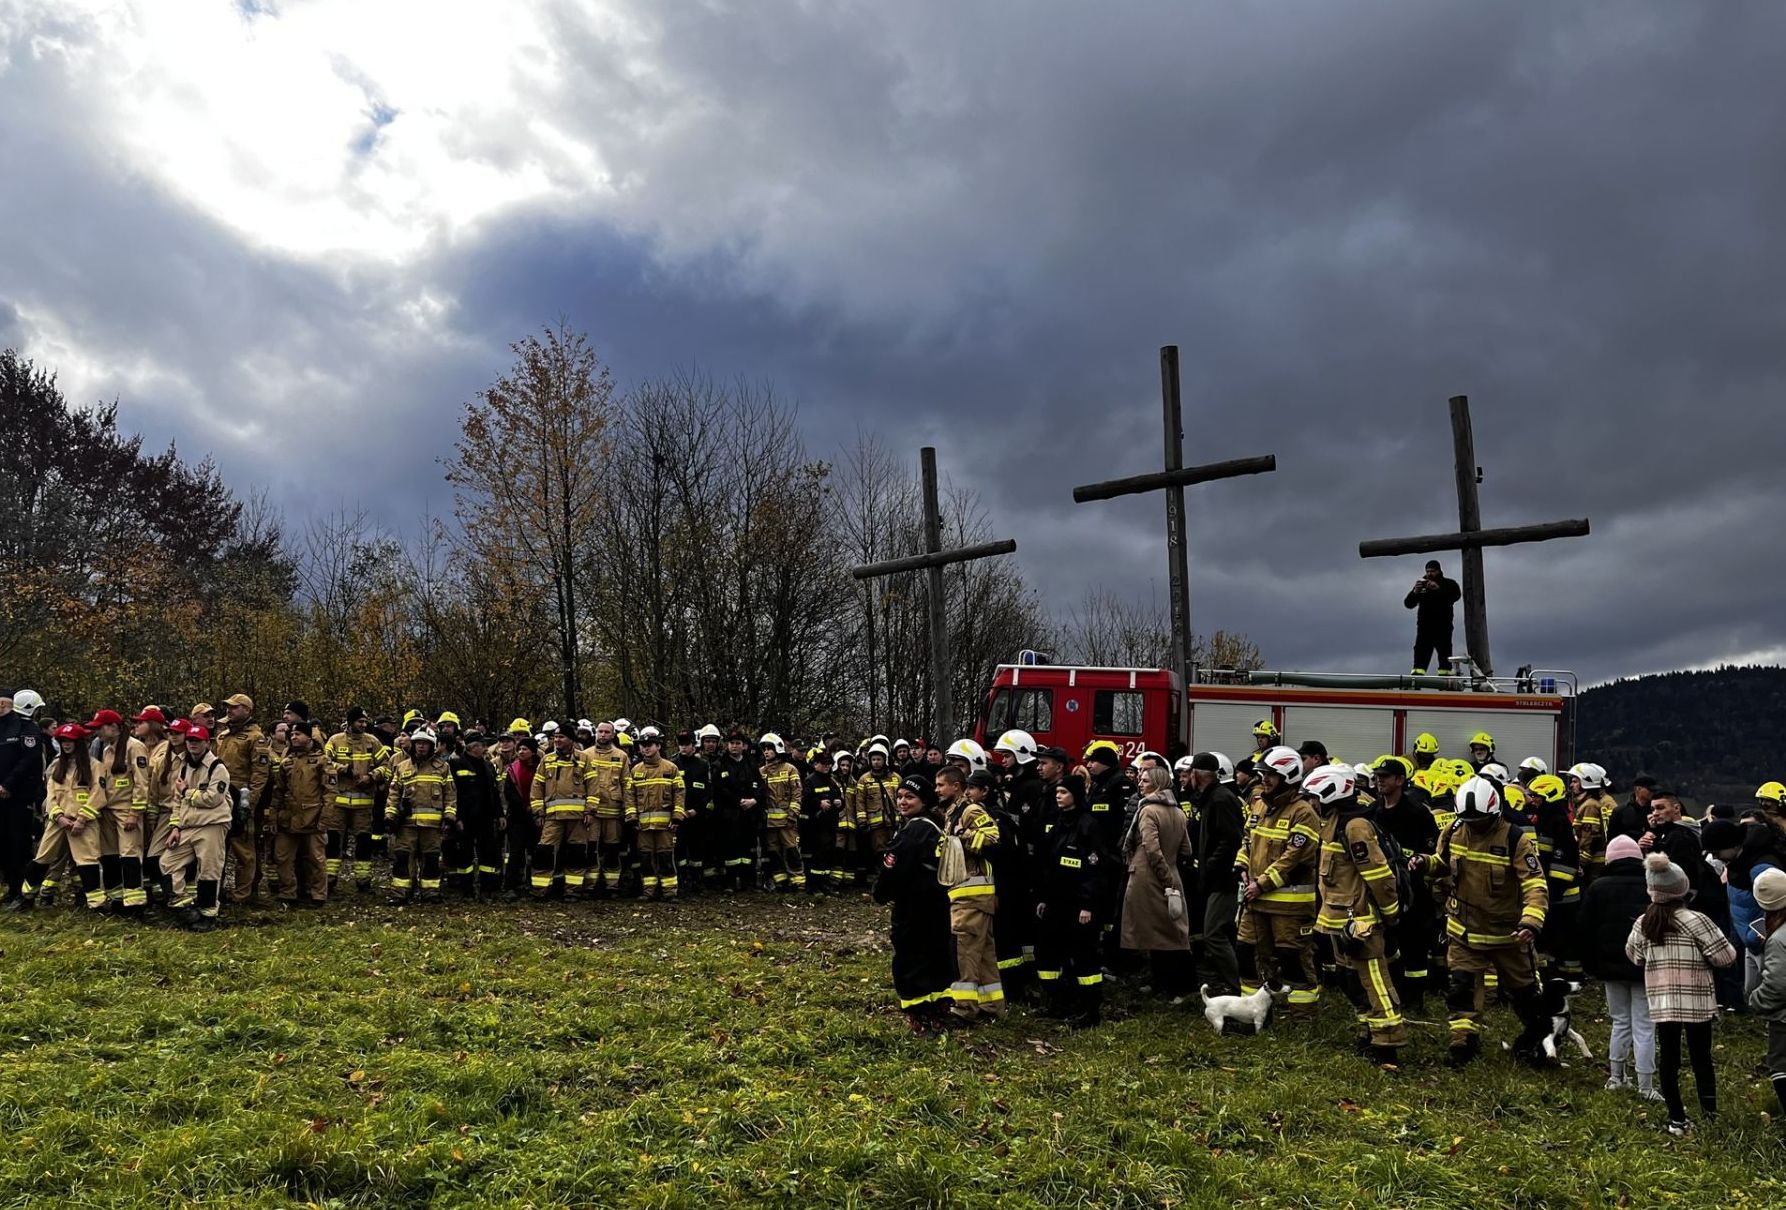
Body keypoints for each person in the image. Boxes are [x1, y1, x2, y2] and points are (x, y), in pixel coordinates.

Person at [1418, 776, 1551, 1066]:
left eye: (1479, 820)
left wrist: (1530, 921)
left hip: (1509, 936)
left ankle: (1540, 1040)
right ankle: (1462, 1044)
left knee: (1525, 994)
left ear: (1495, 812)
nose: (1473, 826)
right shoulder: (1455, 830)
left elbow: (1534, 884)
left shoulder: (1515, 839)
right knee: (1461, 988)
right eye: (1468, 820)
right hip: (1464, 932)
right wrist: (1424, 864)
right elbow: (1442, 863)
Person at [1625, 853, 1737, 1136]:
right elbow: (1726, 956)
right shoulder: (1697, 920)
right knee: (1701, 1057)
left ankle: (1676, 1118)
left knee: (1669, 1059)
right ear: (1682, 887)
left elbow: (1634, 956)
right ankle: (1710, 1113)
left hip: (1662, 1000)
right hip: (1697, 999)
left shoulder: (1644, 923)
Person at [1306, 765, 1405, 1063]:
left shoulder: (1355, 827)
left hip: (1360, 921)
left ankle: (1387, 1046)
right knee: (1351, 982)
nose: (1312, 804)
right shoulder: (1332, 822)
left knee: (1374, 982)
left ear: (1330, 793)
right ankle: (1368, 1032)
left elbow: (1379, 877)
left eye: (1314, 797)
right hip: (1337, 920)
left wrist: (1390, 916)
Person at [1236, 746, 1321, 1009]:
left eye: (1271, 775)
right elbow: (1247, 840)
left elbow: (1292, 858)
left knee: (1291, 957)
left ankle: (1301, 1015)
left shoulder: (1303, 811)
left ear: (1289, 777)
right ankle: (1250, 1010)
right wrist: (1242, 867)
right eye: (1263, 774)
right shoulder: (1259, 804)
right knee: (1246, 951)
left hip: (1289, 904)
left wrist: (1261, 884)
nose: (1265, 780)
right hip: (1255, 898)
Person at [1578, 835, 1660, 1098]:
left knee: (1620, 1021)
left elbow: (1585, 929)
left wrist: (1591, 965)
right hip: (1645, 966)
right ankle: (1646, 1086)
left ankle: (1616, 1077)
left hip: (1610, 968)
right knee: (1645, 1024)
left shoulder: (1598, 887)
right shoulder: (1651, 885)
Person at [873, 775, 956, 1033]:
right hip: (936, 905)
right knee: (936, 957)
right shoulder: (933, 825)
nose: (902, 802)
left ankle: (918, 1015)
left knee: (910, 959)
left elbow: (894, 868)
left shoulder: (915, 830)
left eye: (910, 797)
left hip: (914, 907)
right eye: (899, 796)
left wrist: (880, 892)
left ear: (924, 800)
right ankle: (938, 1009)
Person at [1035, 774, 1107, 1026]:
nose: (1058, 796)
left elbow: (1095, 869)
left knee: (1083, 955)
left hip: (1079, 905)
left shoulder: (1088, 825)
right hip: (1057, 901)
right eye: (1057, 792)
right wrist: (1044, 898)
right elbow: (1050, 865)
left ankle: (1089, 1010)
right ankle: (1058, 1002)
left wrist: (1088, 904)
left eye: (1063, 792)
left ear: (1075, 795)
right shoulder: (1056, 823)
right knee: (1051, 952)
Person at [1373, 755, 1440, 1012]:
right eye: (1378, 776)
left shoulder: (1417, 814)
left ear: (1400, 780)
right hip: (1383, 890)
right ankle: (1395, 992)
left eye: (1385, 777)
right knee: (1388, 944)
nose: (1379, 781)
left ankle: (1415, 1000)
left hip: (1413, 891)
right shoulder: (1375, 811)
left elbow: (1432, 851)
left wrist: (1415, 859)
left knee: (1415, 947)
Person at [1120, 765, 1193, 1001]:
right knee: (1170, 931)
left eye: (1144, 781)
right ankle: (1166, 984)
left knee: (1154, 934)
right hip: (1171, 872)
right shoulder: (1179, 812)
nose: (1139, 784)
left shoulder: (1148, 810)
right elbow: (1186, 848)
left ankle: (1166, 985)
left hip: (1148, 877)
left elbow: (1151, 848)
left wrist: (1164, 877)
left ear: (1158, 784)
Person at [937, 765, 1003, 1023]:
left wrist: (962, 836)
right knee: (985, 954)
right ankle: (992, 1007)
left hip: (971, 892)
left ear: (956, 786)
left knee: (963, 953)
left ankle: (964, 1009)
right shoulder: (952, 812)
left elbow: (993, 837)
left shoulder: (970, 810)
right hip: (969, 892)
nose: (937, 790)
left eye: (941, 785)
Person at [153, 725, 234, 930]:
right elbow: (177, 801)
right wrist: (175, 827)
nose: (192, 744)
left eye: (197, 741)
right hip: (187, 826)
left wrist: (188, 791)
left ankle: (208, 915)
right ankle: (183, 906)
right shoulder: (184, 767)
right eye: (190, 740)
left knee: (209, 870)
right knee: (167, 862)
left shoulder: (217, 768)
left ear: (207, 743)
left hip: (212, 825)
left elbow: (213, 799)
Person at [1185, 752, 1245, 996]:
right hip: (1214, 879)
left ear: (1197, 775)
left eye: (1189, 774)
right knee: (1223, 933)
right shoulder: (1209, 798)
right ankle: (1228, 980)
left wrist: (1209, 866)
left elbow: (1231, 840)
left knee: (1213, 933)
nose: (1186, 778)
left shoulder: (1221, 799)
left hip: (1224, 881)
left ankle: (1235, 986)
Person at [1704, 817, 1784, 996]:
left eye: (1716, 851)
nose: (1714, 857)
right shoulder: (1738, 863)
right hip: (1751, 941)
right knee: (1751, 991)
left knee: (1770, 993)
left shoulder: (1760, 867)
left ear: (1733, 845)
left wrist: (1755, 936)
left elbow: (1776, 906)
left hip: (1764, 941)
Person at [385, 727, 457, 905]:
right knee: (402, 857)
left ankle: (430, 892)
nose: (421, 747)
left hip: (432, 826)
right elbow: (394, 793)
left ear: (432, 746)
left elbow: (450, 795)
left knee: (431, 859)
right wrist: (390, 816)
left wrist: (449, 817)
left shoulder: (442, 768)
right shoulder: (402, 767)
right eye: (418, 743)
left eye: (425, 744)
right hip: (406, 824)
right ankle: (400, 893)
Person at [323, 706, 390, 893]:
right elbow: (325, 763)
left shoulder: (372, 741)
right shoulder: (335, 741)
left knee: (364, 842)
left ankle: (363, 881)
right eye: (360, 721)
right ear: (351, 721)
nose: (363, 724)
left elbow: (386, 765)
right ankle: (329, 879)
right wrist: (344, 769)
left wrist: (372, 776)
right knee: (334, 841)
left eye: (365, 721)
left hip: (364, 803)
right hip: (338, 802)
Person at [214, 694, 273, 905]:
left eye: (235, 707)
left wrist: (251, 802)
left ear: (247, 710)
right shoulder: (224, 736)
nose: (229, 711)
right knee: (219, 847)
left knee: (243, 849)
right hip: (220, 797)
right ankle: (216, 891)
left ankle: (243, 894)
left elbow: (260, 773)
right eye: (228, 707)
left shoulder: (255, 738)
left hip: (241, 798)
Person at [269, 723, 330, 908]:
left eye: (298, 734)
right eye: (292, 734)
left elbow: (330, 792)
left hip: (313, 818)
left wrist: (325, 818)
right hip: (288, 819)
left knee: (315, 858)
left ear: (310, 737)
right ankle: (288, 893)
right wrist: (273, 817)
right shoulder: (286, 762)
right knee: (282, 857)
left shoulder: (322, 761)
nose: (294, 737)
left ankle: (318, 894)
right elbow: (278, 792)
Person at [530, 727, 593, 898]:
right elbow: (537, 787)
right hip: (552, 817)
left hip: (578, 818)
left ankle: (572, 890)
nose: (557, 740)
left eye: (561, 737)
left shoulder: (584, 759)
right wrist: (539, 812)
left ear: (571, 740)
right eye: (555, 737)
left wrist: (590, 811)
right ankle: (540, 889)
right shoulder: (547, 760)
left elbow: (593, 788)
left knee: (576, 853)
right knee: (544, 852)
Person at [0, 688, 48, 907]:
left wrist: (8, 785)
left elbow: (29, 761)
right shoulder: (9, 728)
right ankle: (11, 890)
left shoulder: (29, 730)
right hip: (4, 796)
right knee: (5, 845)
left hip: (20, 797)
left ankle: (21, 893)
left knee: (19, 844)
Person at [627, 727, 686, 899]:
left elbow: (680, 794)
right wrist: (632, 818)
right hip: (643, 826)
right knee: (645, 859)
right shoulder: (636, 770)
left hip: (666, 825)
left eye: (650, 745)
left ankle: (669, 892)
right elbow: (629, 796)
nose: (646, 748)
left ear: (658, 746)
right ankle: (648, 892)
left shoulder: (671, 768)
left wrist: (677, 818)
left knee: (666, 858)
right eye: (643, 745)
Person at [1747, 868, 1786, 1116]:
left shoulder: (1779, 938)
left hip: (1784, 1019)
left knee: (1780, 1066)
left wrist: (1755, 1000)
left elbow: (1778, 985)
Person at [448, 731, 504, 898]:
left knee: (488, 853)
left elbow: (494, 793)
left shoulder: (488, 765)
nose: (485, 748)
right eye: (481, 745)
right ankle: (467, 889)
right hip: (466, 819)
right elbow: (453, 793)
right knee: (464, 855)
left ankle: (487, 888)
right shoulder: (456, 764)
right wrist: (457, 818)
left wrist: (499, 814)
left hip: (486, 818)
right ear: (472, 747)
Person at [585, 721, 632, 897]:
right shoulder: (586, 755)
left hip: (614, 812)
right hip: (593, 812)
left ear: (613, 735)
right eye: (600, 731)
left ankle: (612, 886)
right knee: (591, 849)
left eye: (607, 732)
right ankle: (590, 886)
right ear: (596, 733)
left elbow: (626, 784)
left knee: (612, 849)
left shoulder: (621, 756)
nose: (603, 735)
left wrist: (628, 809)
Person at [757, 734, 806, 892]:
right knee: (774, 852)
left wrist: (793, 814)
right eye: (764, 749)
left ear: (777, 749)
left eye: (769, 749)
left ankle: (798, 881)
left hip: (787, 821)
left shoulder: (790, 769)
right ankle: (781, 881)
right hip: (769, 822)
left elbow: (797, 793)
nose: (766, 752)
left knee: (792, 851)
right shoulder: (761, 771)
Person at [1404, 559, 1461, 675]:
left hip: (1443, 628)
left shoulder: (1449, 584)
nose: (1430, 574)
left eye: (1433, 571)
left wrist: (1438, 589)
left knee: (1445, 656)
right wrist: (1415, 592)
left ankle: (1446, 683)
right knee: (1420, 656)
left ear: (1439, 571)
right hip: (1425, 629)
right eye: (1428, 571)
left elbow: (1455, 596)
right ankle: (1416, 680)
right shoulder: (1422, 586)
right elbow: (1408, 604)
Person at [501, 734, 540, 897]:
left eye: (525, 749)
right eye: (520, 749)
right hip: (517, 816)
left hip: (537, 816)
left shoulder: (541, 767)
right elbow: (509, 791)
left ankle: (536, 885)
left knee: (537, 852)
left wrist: (536, 807)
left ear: (533, 752)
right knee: (516, 852)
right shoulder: (513, 769)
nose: (521, 752)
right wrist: (524, 807)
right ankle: (511, 885)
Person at [804, 748, 846, 894]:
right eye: (824, 764)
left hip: (830, 824)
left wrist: (840, 802)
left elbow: (839, 797)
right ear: (815, 764)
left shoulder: (831, 781)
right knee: (816, 855)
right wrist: (819, 804)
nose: (827, 766)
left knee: (828, 854)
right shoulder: (810, 780)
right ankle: (814, 885)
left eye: (829, 764)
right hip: (815, 826)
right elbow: (805, 801)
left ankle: (825, 883)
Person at [1608, 776, 1658, 842]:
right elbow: (1612, 839)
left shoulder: (1656, 811)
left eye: (1654, 790)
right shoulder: (1620, 812)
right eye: (1650, 790)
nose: (1653, 792)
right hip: (1628, 850)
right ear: (1638, 789)